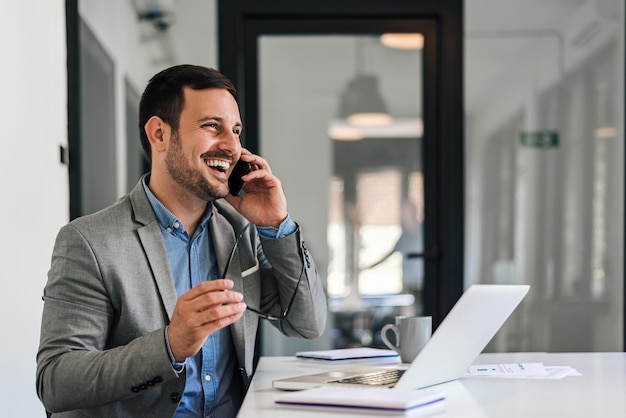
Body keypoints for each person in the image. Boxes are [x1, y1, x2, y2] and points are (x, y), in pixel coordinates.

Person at [36, 64, 327, 418]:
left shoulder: (242, 232)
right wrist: (170, 345)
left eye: (236, 131)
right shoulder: (88, 241)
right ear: (159, 134)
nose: (232, 146)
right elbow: (56, 382)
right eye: (212, 126)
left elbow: (307, 323)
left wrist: (276, 225)